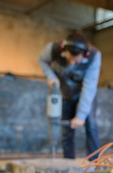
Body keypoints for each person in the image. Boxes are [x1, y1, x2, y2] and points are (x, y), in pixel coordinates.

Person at [39, 32, 101, 160]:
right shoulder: (53, 49)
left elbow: (89, 87)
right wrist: (51, 76)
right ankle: (68, 161)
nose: (72, 63)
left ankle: (95, 162)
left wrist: (81, 115)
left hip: (85, 95)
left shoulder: (94, 56)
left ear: (84, 54)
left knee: (91, 124)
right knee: (67, 132)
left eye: (76, 59)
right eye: (70, 58)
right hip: (66, 93)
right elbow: (42, 60)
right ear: (64, 49)